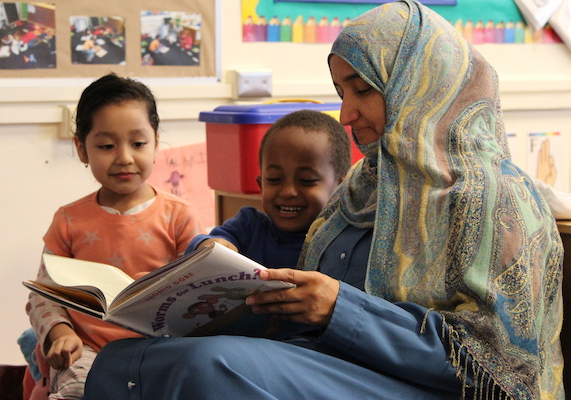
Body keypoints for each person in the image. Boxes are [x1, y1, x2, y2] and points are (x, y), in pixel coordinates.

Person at [84, 1, 564, 399]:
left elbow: (496, 365)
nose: (346, 112)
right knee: (122, 359)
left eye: (363, 89)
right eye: (340, 91)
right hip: (344, 363)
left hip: (429, 387)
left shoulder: (498, 200)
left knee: (207, 368)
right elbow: (309, 307)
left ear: (421, 83)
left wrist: (339, 309)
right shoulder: (362, 185)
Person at [25, 73, 205, 400]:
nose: (123, 157)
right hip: (87, 349)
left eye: (138, 143)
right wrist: (61, 333)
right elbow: (43, 296)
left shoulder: (180, 215)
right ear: (81, 149)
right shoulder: (68, 220)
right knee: (77, 390)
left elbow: (198, 292)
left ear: (156, 141)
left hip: (160, 348)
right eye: (106, 146)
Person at [185, 109, 352, 268]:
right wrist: (209, 246)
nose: (287, 191)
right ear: (261, 185)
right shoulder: (249, 227)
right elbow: (205, 243)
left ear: (340, 188)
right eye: (274, 179)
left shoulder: (345, 242)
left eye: (306, 180)